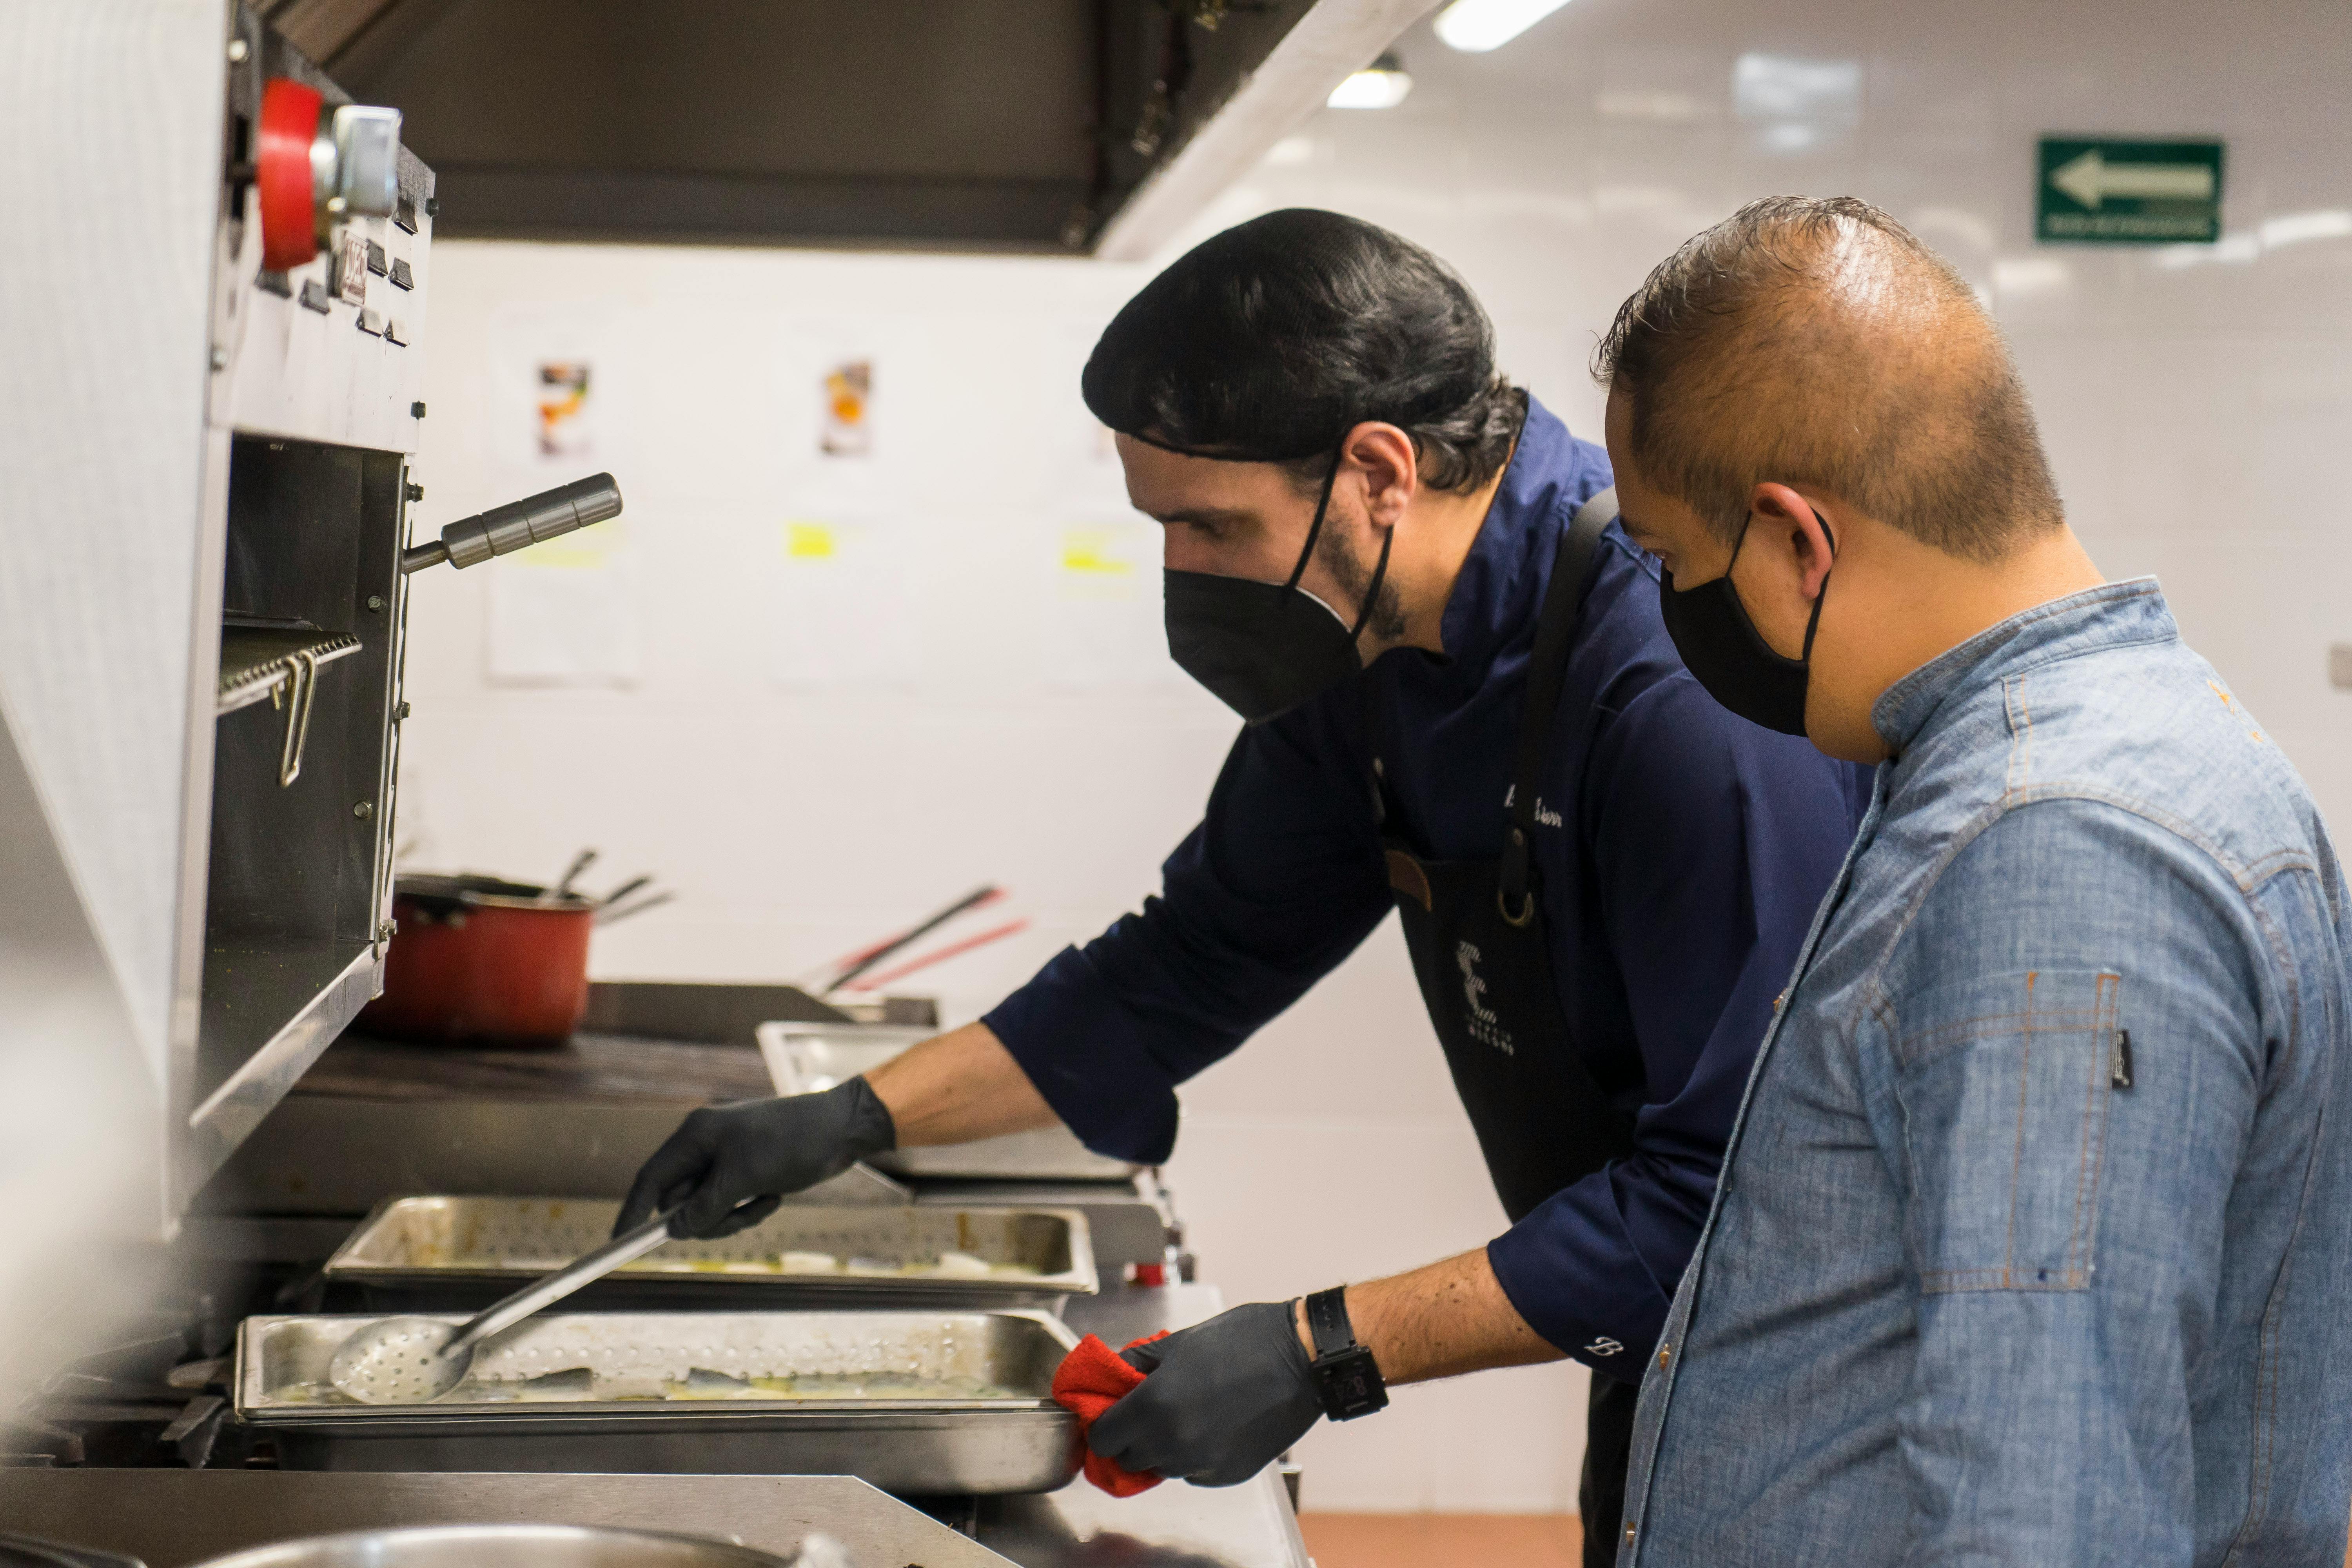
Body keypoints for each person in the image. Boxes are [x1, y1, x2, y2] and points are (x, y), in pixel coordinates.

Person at [617, 209, 1867, 1559]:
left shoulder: (1672, 693)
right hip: (1665, 1344)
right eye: (1162, 526)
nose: (1184, 576)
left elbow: (1742, 1199)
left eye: (1213, 525)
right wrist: (846, 1118)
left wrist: (1323, 1349)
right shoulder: (1371, 648)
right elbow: (1193, 958)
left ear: (1379, 471)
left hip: (1837, 1388)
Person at [1596, 195, 2352, 1565]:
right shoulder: (2030, 769)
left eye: (1669, 564)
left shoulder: (2056, 851)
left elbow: (2047, 1511)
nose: (1665, 606)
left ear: (1792, 545)